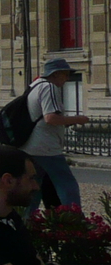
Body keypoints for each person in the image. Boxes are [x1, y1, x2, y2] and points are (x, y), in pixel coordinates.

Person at [21, 58, 90, 209]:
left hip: (31, 145)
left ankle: (27, 221)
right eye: (65, 75)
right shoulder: (49, 87)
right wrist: (78, 119)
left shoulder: (34, 86)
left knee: (35, 186)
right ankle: (73, 220)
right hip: (46, 146)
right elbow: (50, 118)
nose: (67, 79)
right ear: (56, 74)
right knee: (67, 183)